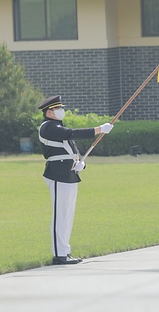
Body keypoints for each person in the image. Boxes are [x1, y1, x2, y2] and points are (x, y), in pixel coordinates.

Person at [38, 95, 112, 265]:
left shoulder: (57, 126)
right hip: (57, 174)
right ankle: (59, 255)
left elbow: (71, 146)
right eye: (58, 109)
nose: (61, 111)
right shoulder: (48, 127)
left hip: (69, 174)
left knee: (67, 215)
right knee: (60, 216)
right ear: (49, 111)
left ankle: (65, 251)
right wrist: (99, 129)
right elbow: (72, 133)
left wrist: (80, 163)